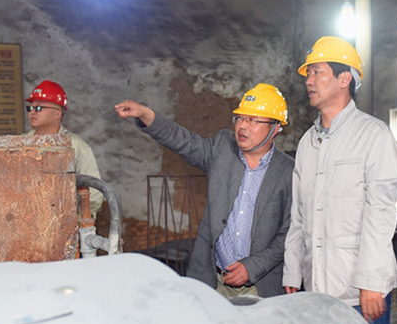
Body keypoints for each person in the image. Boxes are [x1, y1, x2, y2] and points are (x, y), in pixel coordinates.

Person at [282, 36, 397, 324]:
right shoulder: (308, 142)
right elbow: (299, 215)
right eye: (308, 74)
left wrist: (371, 281)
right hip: (318, 289)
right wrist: (293, 272)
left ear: (344, 79)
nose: (309, 81)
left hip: (359, 291)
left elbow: (381, 213)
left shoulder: (373, 135)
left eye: (317, 72)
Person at [115, 83, 293, 299]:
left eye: (253, 120)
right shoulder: (222, 149)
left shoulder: (288, 172)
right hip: (212, 282)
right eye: (240, 118)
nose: (242, 126)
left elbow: (289, 234)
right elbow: (183, 141)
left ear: (275, 128)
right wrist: (145, 114)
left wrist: (252, 267)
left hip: (260, 286)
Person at [25, 80, 103, 218]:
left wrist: (77, 222)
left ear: (57, 113)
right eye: (30, 108)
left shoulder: (76, 147)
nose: (32, 112)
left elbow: (94, 192)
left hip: (65, 224)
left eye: (38, 108)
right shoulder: (20, 146)